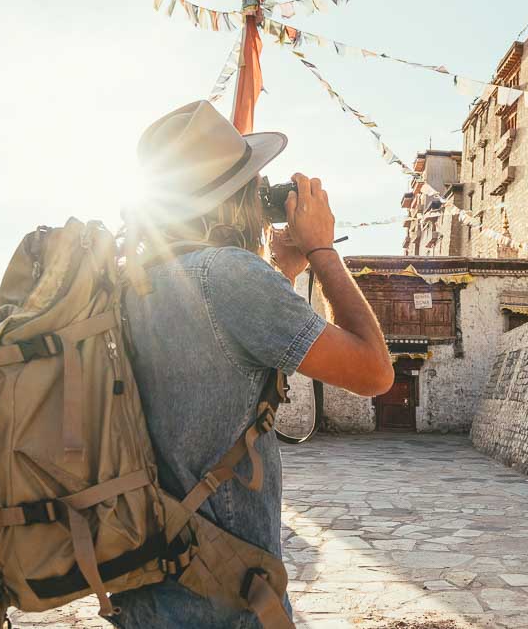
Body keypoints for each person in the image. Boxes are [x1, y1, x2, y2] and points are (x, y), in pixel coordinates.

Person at [113, 100, 394, 628]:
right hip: (225, 601)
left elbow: (221, 359)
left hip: (145, 594)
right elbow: (375, 372)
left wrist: (280, 272)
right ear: (231, 201)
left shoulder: (134, 280)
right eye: (252, 185)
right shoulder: (229, 276)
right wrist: (322, 251)